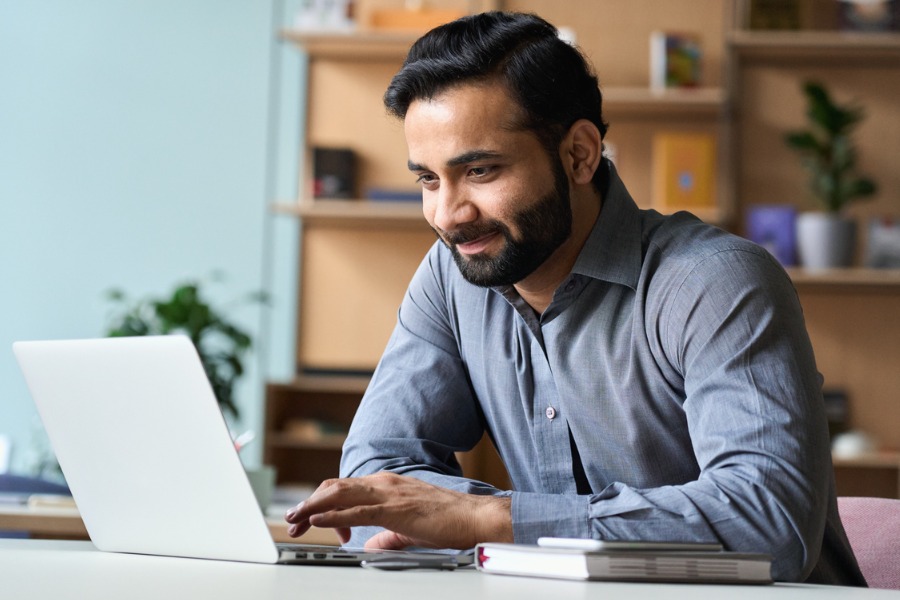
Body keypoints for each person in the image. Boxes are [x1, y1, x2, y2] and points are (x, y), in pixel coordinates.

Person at [285, 11, 865, 585]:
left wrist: (488, 519)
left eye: (481, 171)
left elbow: (769, 525)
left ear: (580, 155)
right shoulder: (450, 275)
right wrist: (459, 521)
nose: (448, 216)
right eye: (428, 180)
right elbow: (374, 472)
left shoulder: (716, 282)